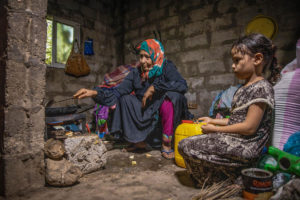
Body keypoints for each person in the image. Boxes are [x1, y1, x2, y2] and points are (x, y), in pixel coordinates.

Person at [178, 33, 280, 186]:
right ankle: (225, 176)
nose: (233, 65)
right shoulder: (242, 89)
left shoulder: (262, 88)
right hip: (234, 139)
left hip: (248, 145)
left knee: (186, 146)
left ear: (257, 59)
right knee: (186, 143)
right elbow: (235, 120)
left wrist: (215, 130)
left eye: (237, 60)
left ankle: (228, 179)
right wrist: (213, 121)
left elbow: (249, 127)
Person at [74, 39, 191, 159]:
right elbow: (118, 91)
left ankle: (166, 144)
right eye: (141, 56)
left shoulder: (166, 66)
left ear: (156, 55)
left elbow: (182, 85)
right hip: (145, 110)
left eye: (147, 57)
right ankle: (137, 142)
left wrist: (155, 87)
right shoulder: (136, 72)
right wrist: (93, 92)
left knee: (171, 96)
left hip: (162, 111)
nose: (142, 61)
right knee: (124, 98)